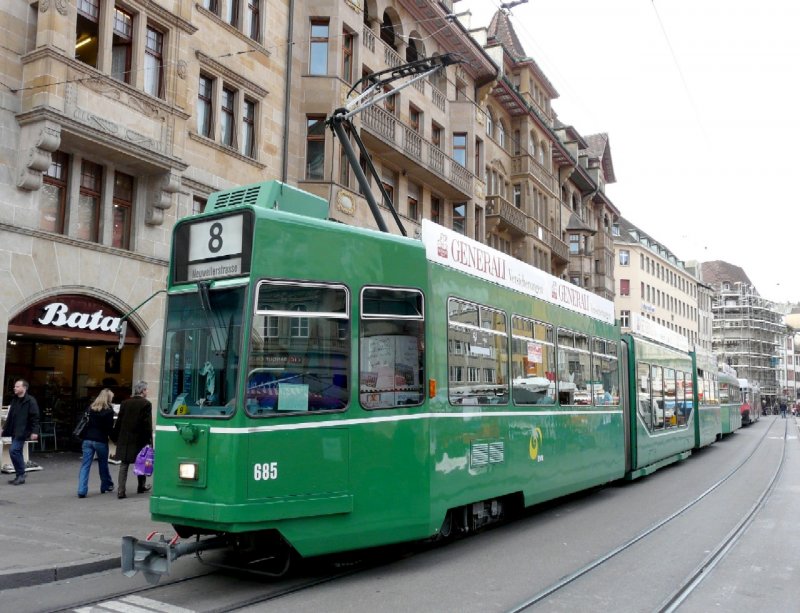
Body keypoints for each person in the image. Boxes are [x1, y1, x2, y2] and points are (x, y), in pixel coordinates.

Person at [111, 380, 153, 499]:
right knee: (141, 462)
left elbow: (119, 422)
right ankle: (141, 486)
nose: (147, 391)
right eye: (146, 389)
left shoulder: (125, 403)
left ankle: (121, 490)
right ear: (143, 391)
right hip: (139, 438)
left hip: (125, 437)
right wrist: (149, 441)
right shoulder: (146, 404)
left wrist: (115, 436)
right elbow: (147, 424)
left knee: (124, 465)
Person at [76, 388, 116, 498]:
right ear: (108, 398)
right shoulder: (109, 411)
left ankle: (81, 490)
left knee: (85, 465)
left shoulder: (90, 408)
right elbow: (109, 428)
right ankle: (105, 485)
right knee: (103, 464)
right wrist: (115, 439)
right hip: (101, 440)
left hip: (87, 439)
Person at [1, 379, 39, 485]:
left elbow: (35, 417)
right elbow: (10, 416)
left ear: (24, 388)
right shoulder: (14, 400)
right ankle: (19, 475)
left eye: (17, 386)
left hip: (23, 431)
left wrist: (34, 431)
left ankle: (21, 474)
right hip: (14, 430)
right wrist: (3, 429)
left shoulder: (30, 401)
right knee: (17, 452)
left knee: (13, 450)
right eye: (15, 386)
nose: (15, 388)